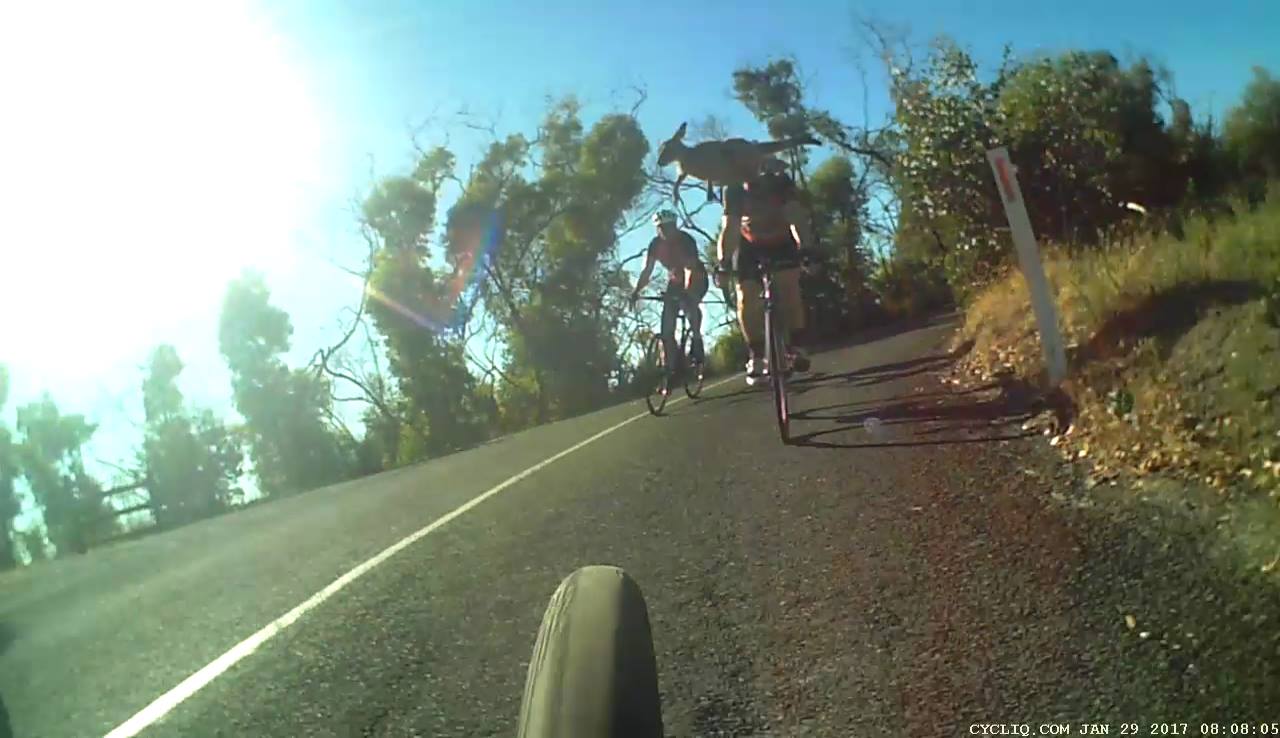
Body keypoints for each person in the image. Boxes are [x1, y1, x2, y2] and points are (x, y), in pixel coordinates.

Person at [715, 157, 812, 385]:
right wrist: (724, 263)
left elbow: (796, 219)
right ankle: (757, 355)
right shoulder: (734, 190)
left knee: (789, 289)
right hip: (750, 245)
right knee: (746, 297)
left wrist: (806, 249)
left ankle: (795, 346)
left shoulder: (780, 183)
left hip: (781, 242)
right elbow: (729, 229)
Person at [630, 209, 708, 369]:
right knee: (667, 326)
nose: (665, 231)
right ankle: (669, 369)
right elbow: (647, 271)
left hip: (695, 276)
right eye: (661, 228)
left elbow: (690, 268)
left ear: (675, 226)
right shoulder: (654, 245)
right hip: (675, 280)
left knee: (689, 304)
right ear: (657, 229)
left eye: (669, 227)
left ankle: (697, 338)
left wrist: (687, 292)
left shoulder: (686, 240)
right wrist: (636, 291)